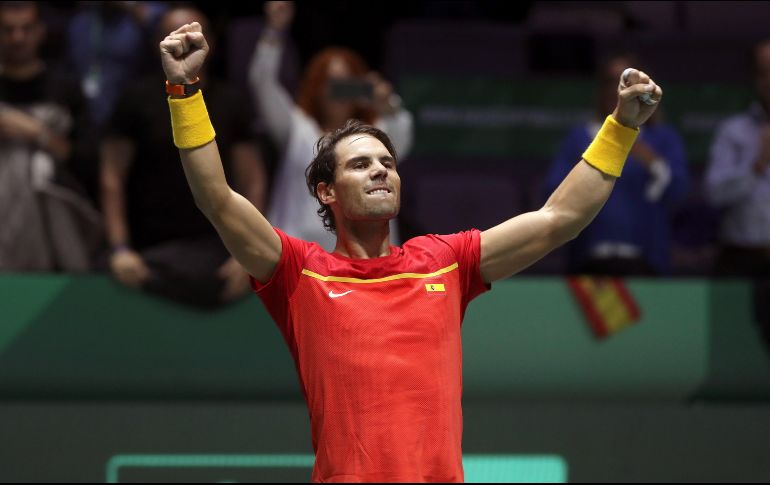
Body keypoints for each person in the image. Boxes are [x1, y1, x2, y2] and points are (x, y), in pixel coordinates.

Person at [159, 22, 662, 482]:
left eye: (387, 162)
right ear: (326, 192)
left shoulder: (445, 260)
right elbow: (217, 199)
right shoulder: (300, 273)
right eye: (360, 164)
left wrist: (620, 128)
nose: (380, 170)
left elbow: (559, 219)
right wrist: (184, 92)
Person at [101, 7, 265, 308]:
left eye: (192, 36)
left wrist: (248, 251)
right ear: (158, 43)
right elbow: (112, 176)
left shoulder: (232, 102)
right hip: (151, 248)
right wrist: (120, 248)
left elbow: (252, 180)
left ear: (210, 42)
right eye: (172, 35)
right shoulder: (135, 99)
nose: (182, 44)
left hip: (216, 246)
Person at [248, 1, 413, 250]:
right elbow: (262, 82)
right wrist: (274, 30)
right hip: (299, 252)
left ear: (359, 87)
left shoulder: (374, 134)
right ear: (315, 87)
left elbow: (403, 135)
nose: (338, 92)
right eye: (331, 83)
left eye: (347, 84)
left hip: (366, 254)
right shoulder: (297, 129)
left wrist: (387, 103)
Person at [544, 53, 689, 275]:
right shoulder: (579, 138)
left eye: (629, 81)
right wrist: (587, 167)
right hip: (589, 260)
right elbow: (553, 194)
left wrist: (654, 163)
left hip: (647, 260)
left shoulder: (662, 138)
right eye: (612, 81)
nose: (618, 89)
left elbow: (679, 192)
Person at [0, 1, 99, 272]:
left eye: (26, 29)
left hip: (53, 224)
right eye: (8, 30)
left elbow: (87, 160)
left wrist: (39, 134)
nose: (17, 38)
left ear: (40, 31)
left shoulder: (64, 88)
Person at [705, 38, 770, 352]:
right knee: (734, 351)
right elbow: (714, 193)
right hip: (741, 259)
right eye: (765, 72)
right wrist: (757, 164)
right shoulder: (734, 131)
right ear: (755, 79)